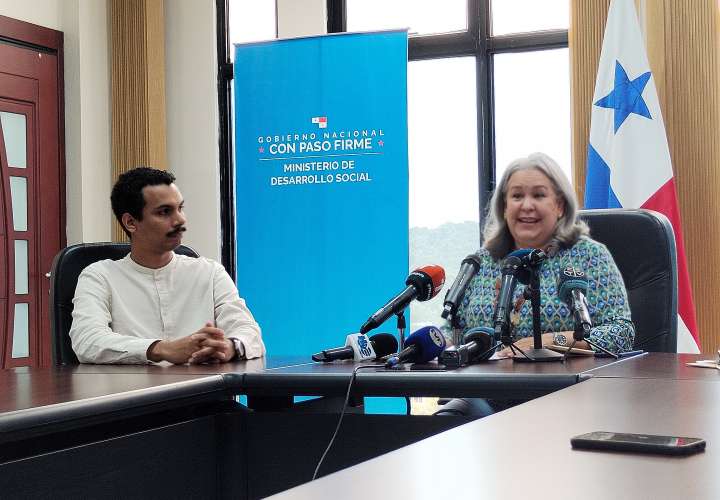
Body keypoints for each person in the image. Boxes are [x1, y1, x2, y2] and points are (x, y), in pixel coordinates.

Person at [436, 153, 634, 416]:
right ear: (504, 207)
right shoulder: (481, 261)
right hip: (487, 396)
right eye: (517, 196)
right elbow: (453, 330)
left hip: (568, 398)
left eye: (539, 195)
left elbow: (621, 333)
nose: (526, 205)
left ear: (560, 205)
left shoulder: (589, 256)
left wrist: (554, 341)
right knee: (447, 422)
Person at [69, 167, 265, 364]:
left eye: (180, 208)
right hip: (134, 391)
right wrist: (161, 349)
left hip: (206, 391)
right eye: (165, 212)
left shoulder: (209, 272)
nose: (180, 219)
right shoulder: (99, 276)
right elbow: (87, 341)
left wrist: (230, 346)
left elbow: (250, 333)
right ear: (130, 222)